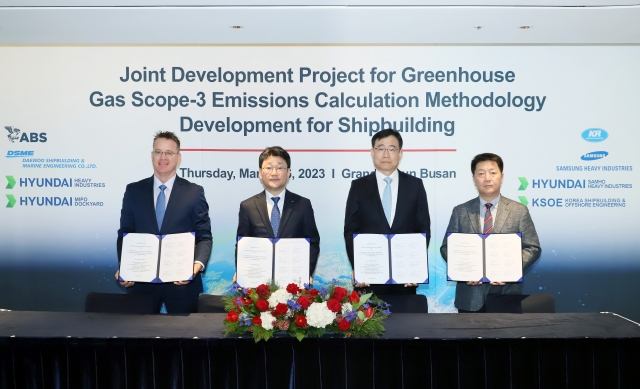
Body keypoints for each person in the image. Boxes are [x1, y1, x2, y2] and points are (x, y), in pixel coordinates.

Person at [115, 131, 212, 313]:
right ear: (152, 155)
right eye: (158, 152)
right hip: (141, 284)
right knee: (139, 339)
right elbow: (125, 233)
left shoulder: (194, 192)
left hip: (182, 285)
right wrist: (125, 267)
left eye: (169, 153)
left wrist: (195, 266)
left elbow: (204, 236)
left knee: (186, 340)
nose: (163, 157)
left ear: (178, 158)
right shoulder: (133, 191)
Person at [440, 153, 541, 313]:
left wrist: (510, 270)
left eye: (492, 172)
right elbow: (447, 247)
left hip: (506, 296)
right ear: (474, 178)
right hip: (469, 298)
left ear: (502, 176)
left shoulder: (519, 211)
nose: (487, 178)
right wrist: (465, 272)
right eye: (481, 173)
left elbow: (532, 247)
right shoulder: (460, 211)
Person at [344, 129, 431, 296]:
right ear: (372, 152)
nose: (386, 154)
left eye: (392, 149)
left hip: (405, 281)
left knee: (406, 322)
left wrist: (414, 268)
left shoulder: (415, 185)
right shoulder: (358, 186)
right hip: (369, 282)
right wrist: (360, 267)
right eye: (380, 148)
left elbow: (423, 230)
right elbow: (351, 231)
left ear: (400, 153)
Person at [234, 146, 320, 285]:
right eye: (268, 168)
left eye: (280, 167)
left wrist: (306, 272)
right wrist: (242, 271)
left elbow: (312, 242)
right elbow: (242, 245)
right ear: (260, 173)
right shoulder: (247, 206)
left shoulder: (303, 204)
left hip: (293, 282)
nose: (274, 172)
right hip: (258, 284)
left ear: (288, 172)